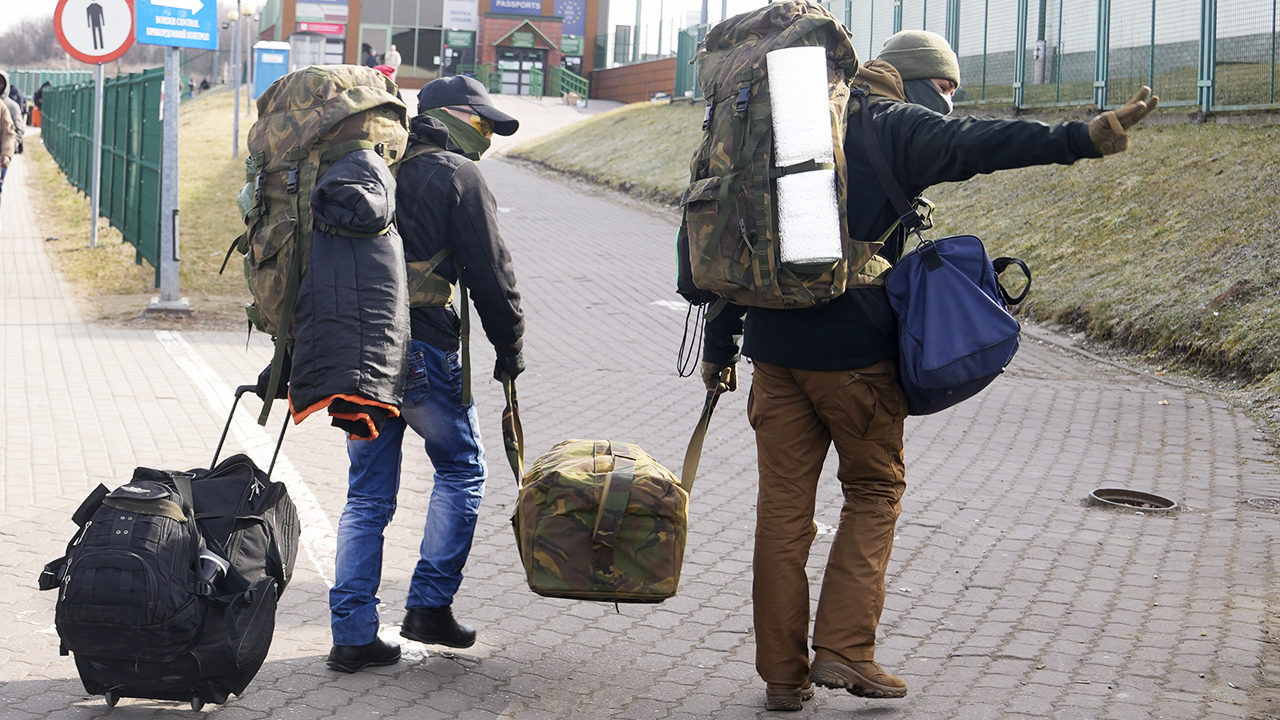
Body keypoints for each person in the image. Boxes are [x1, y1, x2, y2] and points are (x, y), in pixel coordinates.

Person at [699, 29, 1157, 711]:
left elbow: (744, 244)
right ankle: (846, 652)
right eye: (943, 87)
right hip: (853, 357)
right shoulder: (892, 123)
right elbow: (981, 144)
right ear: (913, 81)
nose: (950, 101)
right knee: (874, 490)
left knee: (783, 513)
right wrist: (1082, 137)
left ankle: (782, 676)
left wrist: (720, 345)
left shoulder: (782, 127)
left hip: (773, 352)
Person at [326, 74, 526, 673]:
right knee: (463, 469)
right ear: (457, 115)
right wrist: (509, 347)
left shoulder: (373, 167)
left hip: (358, 352)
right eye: (484, 121)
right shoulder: (456, 175)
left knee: (366, 495)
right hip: (422, 352)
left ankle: (353, 635)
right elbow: (492, 275)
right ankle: (430, 605)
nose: (488, 133)